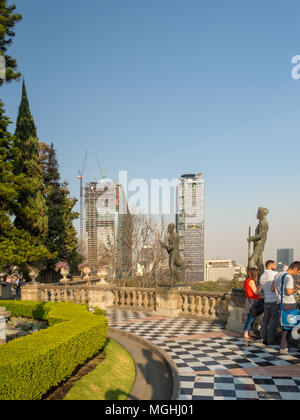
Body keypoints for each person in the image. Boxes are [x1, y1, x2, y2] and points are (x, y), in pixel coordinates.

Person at [272, 261, 300, 354]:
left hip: (280, 303)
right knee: (294, 325)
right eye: (298, 272)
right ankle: (284, 347)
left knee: (286, 325)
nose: (297, 274)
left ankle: (283, 347)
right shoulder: (289, 277)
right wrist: (296, 288)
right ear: (295, 269)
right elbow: (289, 292)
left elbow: (272, 289)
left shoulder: (278, 275)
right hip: (289, 304)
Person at [259, 260, 278, 345]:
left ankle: (263, 338)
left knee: (265, 321)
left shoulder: (262, 276)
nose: (276, 266)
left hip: (266, 300)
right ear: (270, 265)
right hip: (274, 300)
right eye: (275, 265)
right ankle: (271, 339)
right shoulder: (275, 274)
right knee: (273, 321)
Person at [243, 268, 261, 340]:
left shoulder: (247, 281)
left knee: (251, 317)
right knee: (251, 317)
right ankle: (246, 332)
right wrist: (261, 287)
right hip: (253, 300)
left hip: (250, 300)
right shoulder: (251, 281)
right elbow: (256, 292)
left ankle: (250, 331)